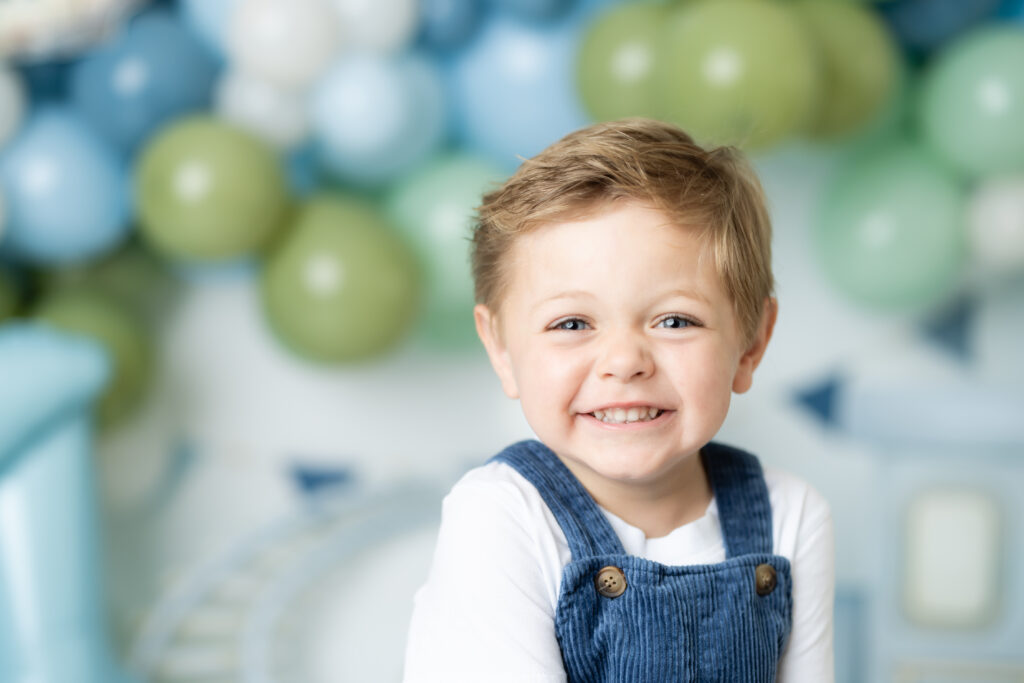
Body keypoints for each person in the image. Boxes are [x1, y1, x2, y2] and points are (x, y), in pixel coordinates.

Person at [403, 118, 834, 682]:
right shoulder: (501, 516)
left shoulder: (791, 517)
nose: (625, 361)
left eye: (675, 320)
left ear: (751, 342)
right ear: (503, 349)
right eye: (573, 322)